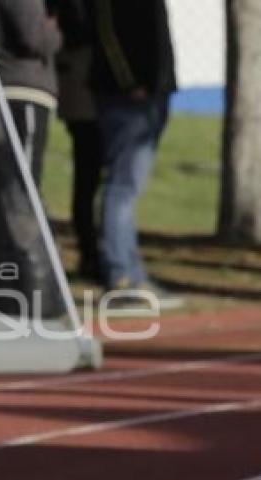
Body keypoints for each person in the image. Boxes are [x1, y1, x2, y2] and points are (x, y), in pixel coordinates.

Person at [88, 0, 183, 307]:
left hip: (153, 94)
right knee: (122, 187)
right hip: (127, 97)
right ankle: (121, 276)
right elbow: (106, 31)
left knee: (130, 187)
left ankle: (133, 273)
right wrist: (129, 82)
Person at [0, 0, 65, 319]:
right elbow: (35, 38)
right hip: (20, 90)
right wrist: (55, 28)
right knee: (20, 193)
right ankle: (32, 291)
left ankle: (0, 289)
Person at [50, 0, 103, 282]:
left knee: (89, 179)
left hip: (82, 93)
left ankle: (93, 253)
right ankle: (92, 254)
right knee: (89, 178)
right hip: (87, 96)